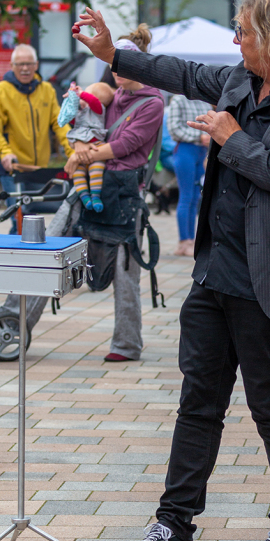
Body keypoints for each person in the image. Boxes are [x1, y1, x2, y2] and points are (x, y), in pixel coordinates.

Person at [73, 0, 270, 541]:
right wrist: (112, 53)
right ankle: (173, 525)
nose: (235, 41)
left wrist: (233, 139)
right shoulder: (237, 81)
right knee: (198, 400)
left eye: (244, 32)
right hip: (214, 273)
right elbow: (178, 70)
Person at [63, 29, 164, 363]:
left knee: (125, 272)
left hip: (123, 193)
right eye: (112, 63)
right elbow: (87, 123)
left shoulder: (152, 103)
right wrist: (80, 145)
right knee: (48, 247)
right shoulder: (111, 93)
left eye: (121, 64)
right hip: (90, 183)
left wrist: (85, 155)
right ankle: (15, 324)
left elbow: (125, 145)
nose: (116, 70)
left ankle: (126, 344)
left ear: (139, 64)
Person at [0, 44, 73, 232]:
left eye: (29, 64)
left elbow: (59, 123)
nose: (25, 69)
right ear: (11, 65)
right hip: (13, 168)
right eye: (20, 64)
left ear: (36, 65)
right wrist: (5, 152)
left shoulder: (46, 90)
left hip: (38, 167)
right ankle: (15, 257)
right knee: (20, 219)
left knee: (32, 219)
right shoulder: (0, 91)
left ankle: (24, 255)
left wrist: (72, 150)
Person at [58, 81, 115, 210]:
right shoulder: (82, 111)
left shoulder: (98, 109)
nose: (81, 98)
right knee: (77, 173)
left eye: (86, 95)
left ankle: (95, 196)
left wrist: (81, 93)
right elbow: (72, 120)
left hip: (97, 146)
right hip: (81, 147)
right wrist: (71, 104)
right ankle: (84, 196)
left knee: (97, 171)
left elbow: (93, 101)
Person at [167, 94, 212, 256]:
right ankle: (183, 241)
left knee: (195, 197)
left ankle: (191, 240)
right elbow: (174, 128)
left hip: (201, 150)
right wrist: (199, 136)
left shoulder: (203, 100)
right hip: (185, 150)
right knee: (186, 196)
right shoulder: (179, 99)